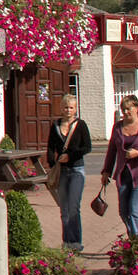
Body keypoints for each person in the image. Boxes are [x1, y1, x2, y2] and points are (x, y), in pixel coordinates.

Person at [100, 95, 138, 237]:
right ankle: (134, 237)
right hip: (123, 174)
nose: (126, 112)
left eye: (129, 108)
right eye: (124, 109)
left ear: (137, 108)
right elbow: (112, 151)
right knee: (124, 212)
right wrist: (106, 171)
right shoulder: (117, 127)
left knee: (134, 211)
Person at [47, 94, 91, 251]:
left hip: (77, 169)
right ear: (61, 108)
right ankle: (66, 242)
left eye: (71, 107)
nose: (68, 110)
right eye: (65, 107)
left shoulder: (81, 125)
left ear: (75, 109)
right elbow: (51, 147)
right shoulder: (56, 126)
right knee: (64, 208)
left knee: (74, 206)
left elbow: (87, 147)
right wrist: (53, 163)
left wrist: (70, 156)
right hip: (62, 171)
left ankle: (76, 242)